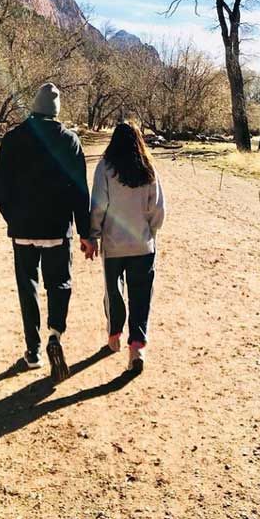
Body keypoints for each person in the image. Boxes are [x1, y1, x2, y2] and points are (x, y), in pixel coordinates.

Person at [0, 83, 94, 382]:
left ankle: (34, 351)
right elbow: (80, 191)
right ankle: (55, 334)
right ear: (56, 111)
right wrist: (85, 231)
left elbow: (0, 185)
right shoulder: (70, 141)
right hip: (56, 230)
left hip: (22, 229)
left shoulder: (12, 138)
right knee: (60, 283)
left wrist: (12, 217)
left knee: (28, 287)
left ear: (34, 107)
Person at [87, 121, 166, 374]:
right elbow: (158, 209)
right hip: (143, 245)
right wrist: (151, 232)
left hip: (114, 245)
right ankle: (137, 348)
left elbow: (98, 205)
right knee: (141, 296)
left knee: (114, 292)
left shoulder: (105, 168)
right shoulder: (148, 169)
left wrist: (95, 234)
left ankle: (114, 337)